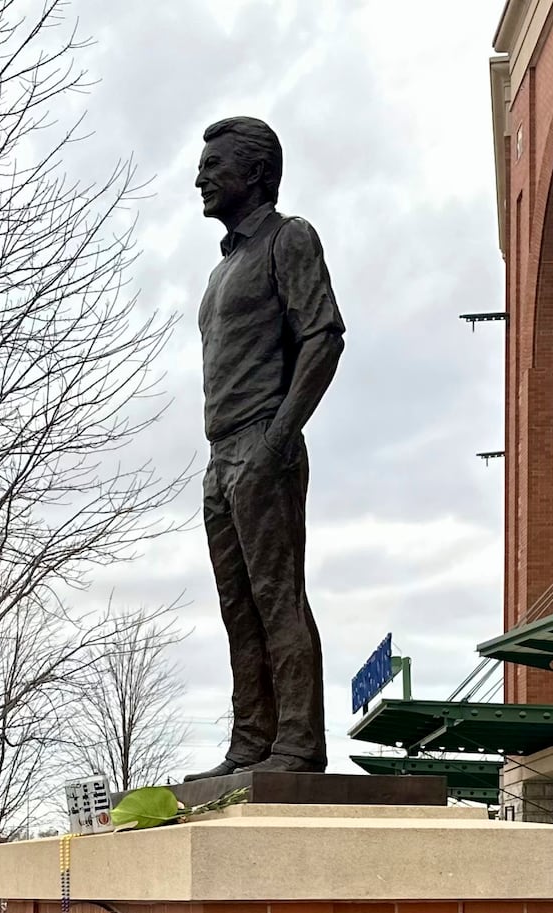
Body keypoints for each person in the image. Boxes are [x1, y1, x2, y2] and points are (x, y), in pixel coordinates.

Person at [184, 115, 345, 781]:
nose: (201, 177)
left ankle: (298, 744)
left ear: (255, 173)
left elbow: (324, 336)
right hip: (221, 457)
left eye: (215, 165)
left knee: (277, 594)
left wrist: (278, 439)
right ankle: (252, 740)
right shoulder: (224, 269)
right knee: (237, 607)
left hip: (262, 444)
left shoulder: (289, 238)